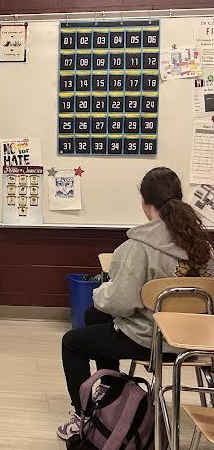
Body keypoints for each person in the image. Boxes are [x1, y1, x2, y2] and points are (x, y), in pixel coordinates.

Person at [57, 166, 214, 440]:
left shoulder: (140, 246)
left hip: (152, 341)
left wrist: (100, 291)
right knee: (96, 315)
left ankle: (84, 417)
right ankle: (109, 388)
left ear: (144, 202)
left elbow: (119, 303)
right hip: (198, 344)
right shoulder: (203, 245)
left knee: (73, 341)